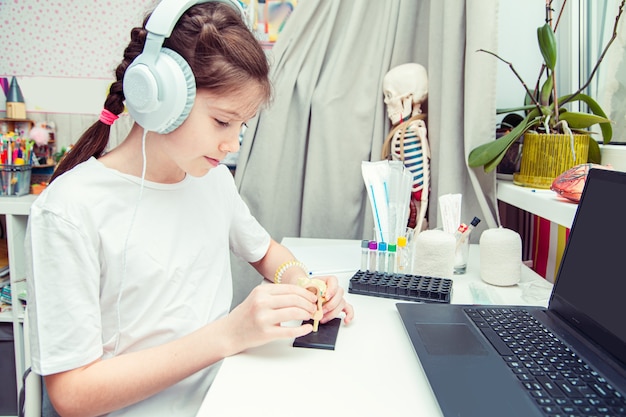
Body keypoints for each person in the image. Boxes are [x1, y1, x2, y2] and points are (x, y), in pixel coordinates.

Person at [25, 1, 354, 416]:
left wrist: (306, 286)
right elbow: (72, 395)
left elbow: (267, 253)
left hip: (222, 397)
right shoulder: (70, 209)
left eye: (242, 125)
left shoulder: (212, 181)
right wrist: (228, 335)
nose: (233, 144)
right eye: (222, 122)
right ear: (158, 98)